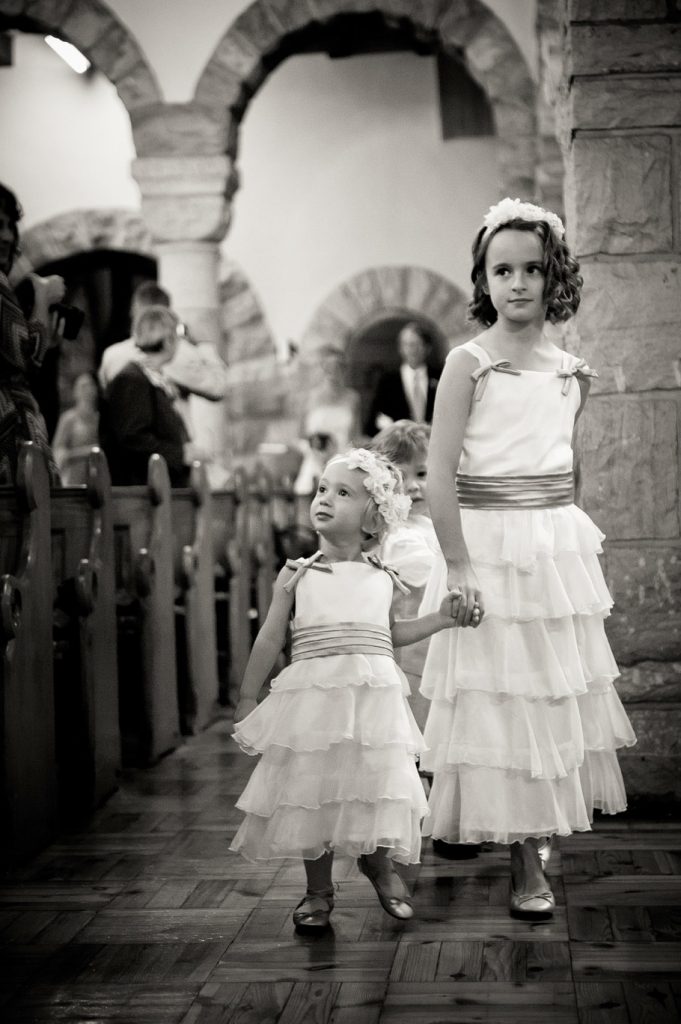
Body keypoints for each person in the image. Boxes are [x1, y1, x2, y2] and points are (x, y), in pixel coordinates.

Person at [418, 197, 636, 919]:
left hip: (548, 547)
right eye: (501, 269)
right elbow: (439, 476)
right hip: (484, 543)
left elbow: (564, 470)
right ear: (483, 278)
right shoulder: (467, 365)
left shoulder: (572, 372)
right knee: (499, 700)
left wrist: (563, 545)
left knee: (549, 694)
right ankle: (518, 858)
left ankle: (541, 825)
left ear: (553, 276)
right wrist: (457, 565)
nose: (517, 283)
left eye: (532, 269)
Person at [230, 447, 478, 933]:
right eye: (323, 488)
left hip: (372, 704)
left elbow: (388, 636)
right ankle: (318, 891)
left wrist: (439, 620)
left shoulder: (383, 578)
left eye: (342, 493)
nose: (324, 498)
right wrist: (247, 693)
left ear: (372, 520)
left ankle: (378, 864)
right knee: (312, 793)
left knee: (377, 783)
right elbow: (271, 637)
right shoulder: (297, 575)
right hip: (315, 703)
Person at [0, 182, 65, 484]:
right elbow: (25, 360)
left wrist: (45, 341)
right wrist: (42, 295)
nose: (8, 237)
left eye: (11, 226)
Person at [100, 305, 203, 487]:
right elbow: (132, 437)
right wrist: (180, 454)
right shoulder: (132, 379)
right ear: (169, 339)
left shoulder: (151, 378)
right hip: (141, 494)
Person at [293, 345, 362, 495]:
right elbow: (299, 437)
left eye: (338, 368)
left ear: (344, 370)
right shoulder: (309, 398)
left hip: (343, 461)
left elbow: (356, 436)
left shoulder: (353, 399)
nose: (333, 373)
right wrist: (317, 453)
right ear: (323, 369)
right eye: (329, 367)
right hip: (315, 461)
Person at [365, 322, 439, 436]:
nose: (411, 350)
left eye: (415, 344)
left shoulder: (439, 376)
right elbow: (372, 423)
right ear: (400, 348)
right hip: (399, 448)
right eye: (406, 345)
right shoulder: (388, 381)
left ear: (427, 348)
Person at [52, 372, 100, 485]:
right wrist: (85, 452)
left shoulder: (100, 418)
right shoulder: (68, 419)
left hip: (96, 476)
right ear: (75, 392)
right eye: (83, 386)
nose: (88, 390)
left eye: (91, 385)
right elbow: (58, 451)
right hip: (74, 476)